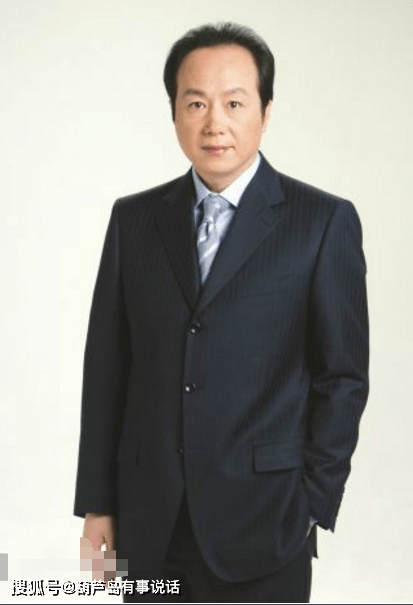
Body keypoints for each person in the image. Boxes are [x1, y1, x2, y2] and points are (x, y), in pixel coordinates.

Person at [73, 21, 369, 603]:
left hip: (267, 521)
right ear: (174, 113)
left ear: (265, 111)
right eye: (196, 103)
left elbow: (343, 376)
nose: (215, 123)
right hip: (150, 520)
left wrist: (313, 501)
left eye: (234, 103)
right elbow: (107, 368)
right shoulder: (134, 221)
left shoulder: (321, 222)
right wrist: (98, 504)